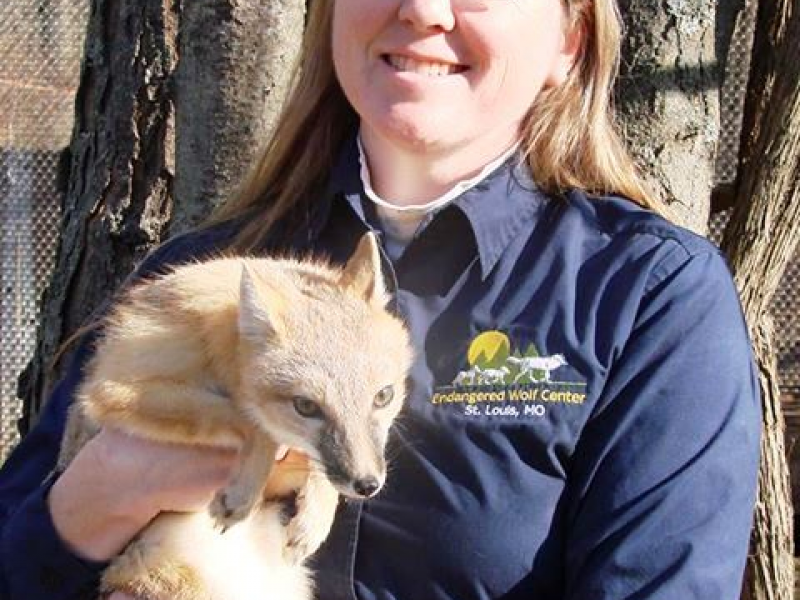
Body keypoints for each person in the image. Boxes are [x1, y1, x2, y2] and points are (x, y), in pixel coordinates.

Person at [0, 0, 761, 598]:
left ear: (570, 39)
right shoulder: (204, 278)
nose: (423, 9)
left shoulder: (646, 295)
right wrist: (99, 495)